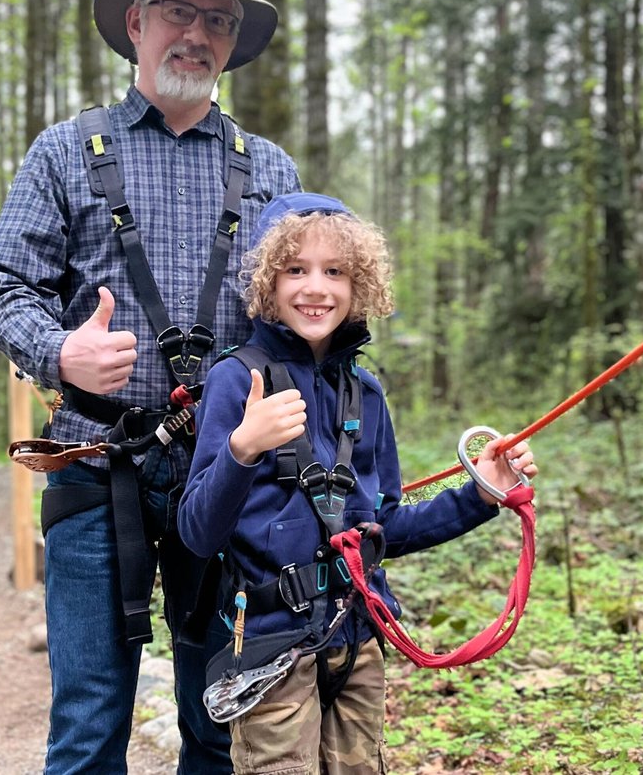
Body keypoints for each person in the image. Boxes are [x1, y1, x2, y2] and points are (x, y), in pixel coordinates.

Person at [0, 0, 301, 775]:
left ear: (233, 41)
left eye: (218, 20)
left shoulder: (270, 170)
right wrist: (61, 354)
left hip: (230, 475)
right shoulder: (62, 150)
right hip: (97, 464)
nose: (196, 34)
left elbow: (308, 313)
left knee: (223, 716)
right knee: (89, 722)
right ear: (136, 23)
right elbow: (8, 287)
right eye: (177, 12)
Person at [178, 193, 538, 774]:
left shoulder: (365, 394)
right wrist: (244, 447)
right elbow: (197, 532)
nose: (315, 288)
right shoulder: (235, 380)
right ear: (268, 282)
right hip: (270, 645)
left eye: (334, 271)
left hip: (357, 636)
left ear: (359, 284)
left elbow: (385, 527)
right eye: (295, 269)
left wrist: (482, 494)